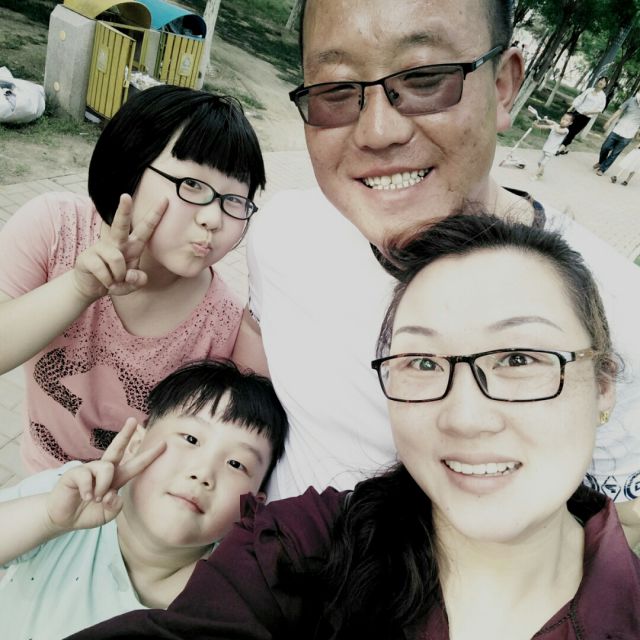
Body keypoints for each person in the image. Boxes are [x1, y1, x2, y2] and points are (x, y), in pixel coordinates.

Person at [68, 213, 640, 639]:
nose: (465, 417)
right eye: (422, 363)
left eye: (518, 358)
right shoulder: (303, 552)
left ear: (603, 386)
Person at [230, 0, 640, 506]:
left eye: (425, 79)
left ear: (502, 86)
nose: (378, 132)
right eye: (336, 90)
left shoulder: (619, 317)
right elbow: (255, 370)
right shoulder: (284, 235)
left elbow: (614, 528)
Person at [0, 85, 265, 472]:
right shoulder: (55, 228)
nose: (213, 218)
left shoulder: (226, 327)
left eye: (234, 201)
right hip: (39, 471)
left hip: (129, 500)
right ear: (130, 166)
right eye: (192, 185)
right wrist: (78, 289)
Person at [0, 359, 288, 639]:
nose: (203, 473)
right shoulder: (71, 492)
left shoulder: (228, 598)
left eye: (236, 464)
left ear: (253, 506)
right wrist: (48, 519)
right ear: (136, 444)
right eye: (190, 439)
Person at [556, 76, 608, 155]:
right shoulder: (589, 90)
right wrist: (571, 107)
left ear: (605, 85)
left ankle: (560, 148)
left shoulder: (602, 96)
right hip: (577, 112)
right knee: (567, 128)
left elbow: (600, 110)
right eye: (601, 80)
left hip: (585, 117)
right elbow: (579, 99)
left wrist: (589, 112)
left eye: (604, 82)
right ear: (598, 81)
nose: (601, 82)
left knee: (573, 132)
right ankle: (561, 146)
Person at [594, 91, 640, 175]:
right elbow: (619, 111)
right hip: (618, 129)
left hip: (628, 135)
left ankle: (602, 169)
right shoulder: (631, 100)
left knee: (614, 153)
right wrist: (609, 121)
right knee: (605, 147)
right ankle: (601, 162)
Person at [532, 112, 573, 179]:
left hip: (552, 151)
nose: (563, 121)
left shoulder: (566, 130)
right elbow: (546, 126)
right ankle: (541, 173)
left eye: (566, 120)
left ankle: (535, 176)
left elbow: (558, 131)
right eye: (563, 119)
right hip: (546, 147)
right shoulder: (555, 126)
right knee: (539, 162)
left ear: (570, 123)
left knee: (543, 164)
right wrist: (538, 125)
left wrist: (553, 123)